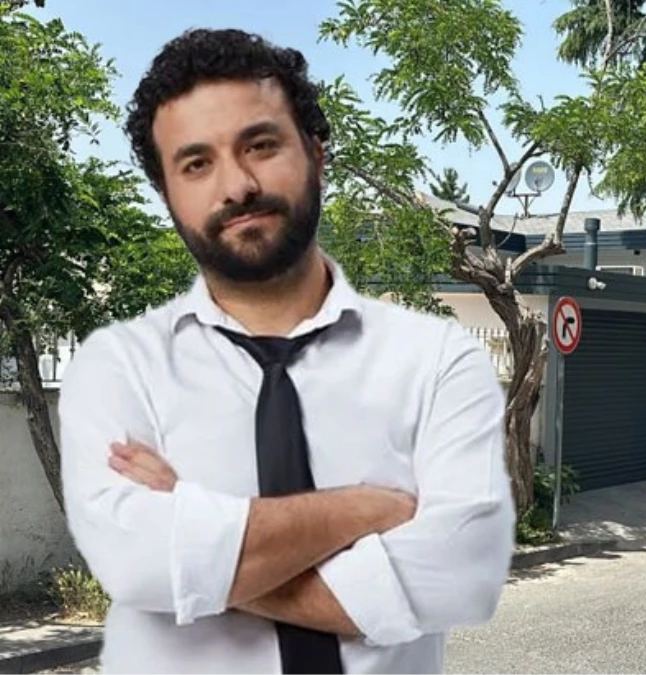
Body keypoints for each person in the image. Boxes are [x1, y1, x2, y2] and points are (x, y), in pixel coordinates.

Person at [58, 28, 515, 674]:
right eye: (196, 164)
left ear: (316, 154)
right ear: (168, 196)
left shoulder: (437, 361)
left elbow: (459, 579)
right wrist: (364, 508)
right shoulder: (116, 368)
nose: (237, 185)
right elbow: (137, 566)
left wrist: (197, 540)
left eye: (261, 145)